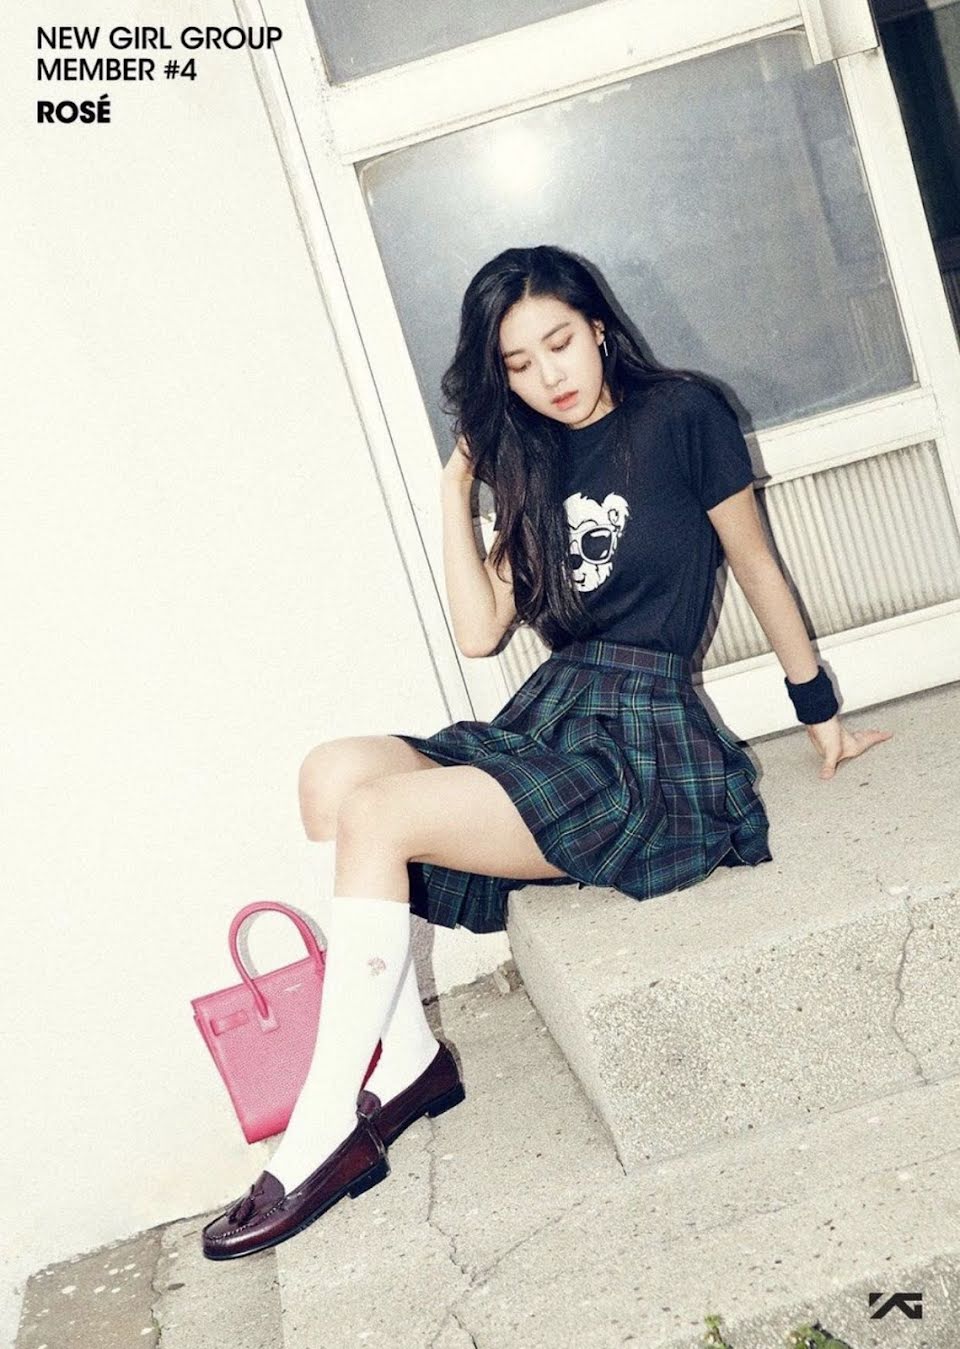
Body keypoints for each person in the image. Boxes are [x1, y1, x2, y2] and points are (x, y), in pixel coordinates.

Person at [201, 245, 892, 1260]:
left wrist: (818, 710)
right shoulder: (531, 461)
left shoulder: (684, 414)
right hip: (555, 719)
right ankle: (405, 1058)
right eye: (518, 364)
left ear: (599, 325)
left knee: (379, 813)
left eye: (560, 342)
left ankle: (324, 1128)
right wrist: (456, 486)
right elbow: (480, 630)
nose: (548, 374)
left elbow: (755, 563)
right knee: (331, 775)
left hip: (646, 743)